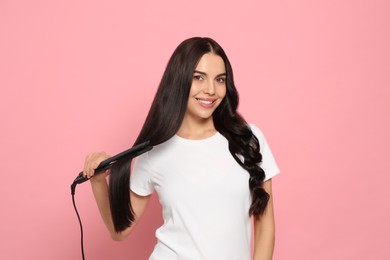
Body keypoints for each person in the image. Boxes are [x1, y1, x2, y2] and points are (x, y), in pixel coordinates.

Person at [83, 37, 280, 260]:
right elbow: (119, 232)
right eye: (198, 78)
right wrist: (98, 181)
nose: (210, 90)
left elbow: (265, 227)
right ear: (180, 80)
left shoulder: (249, 139)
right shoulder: (153, 152)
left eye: (220, 79)